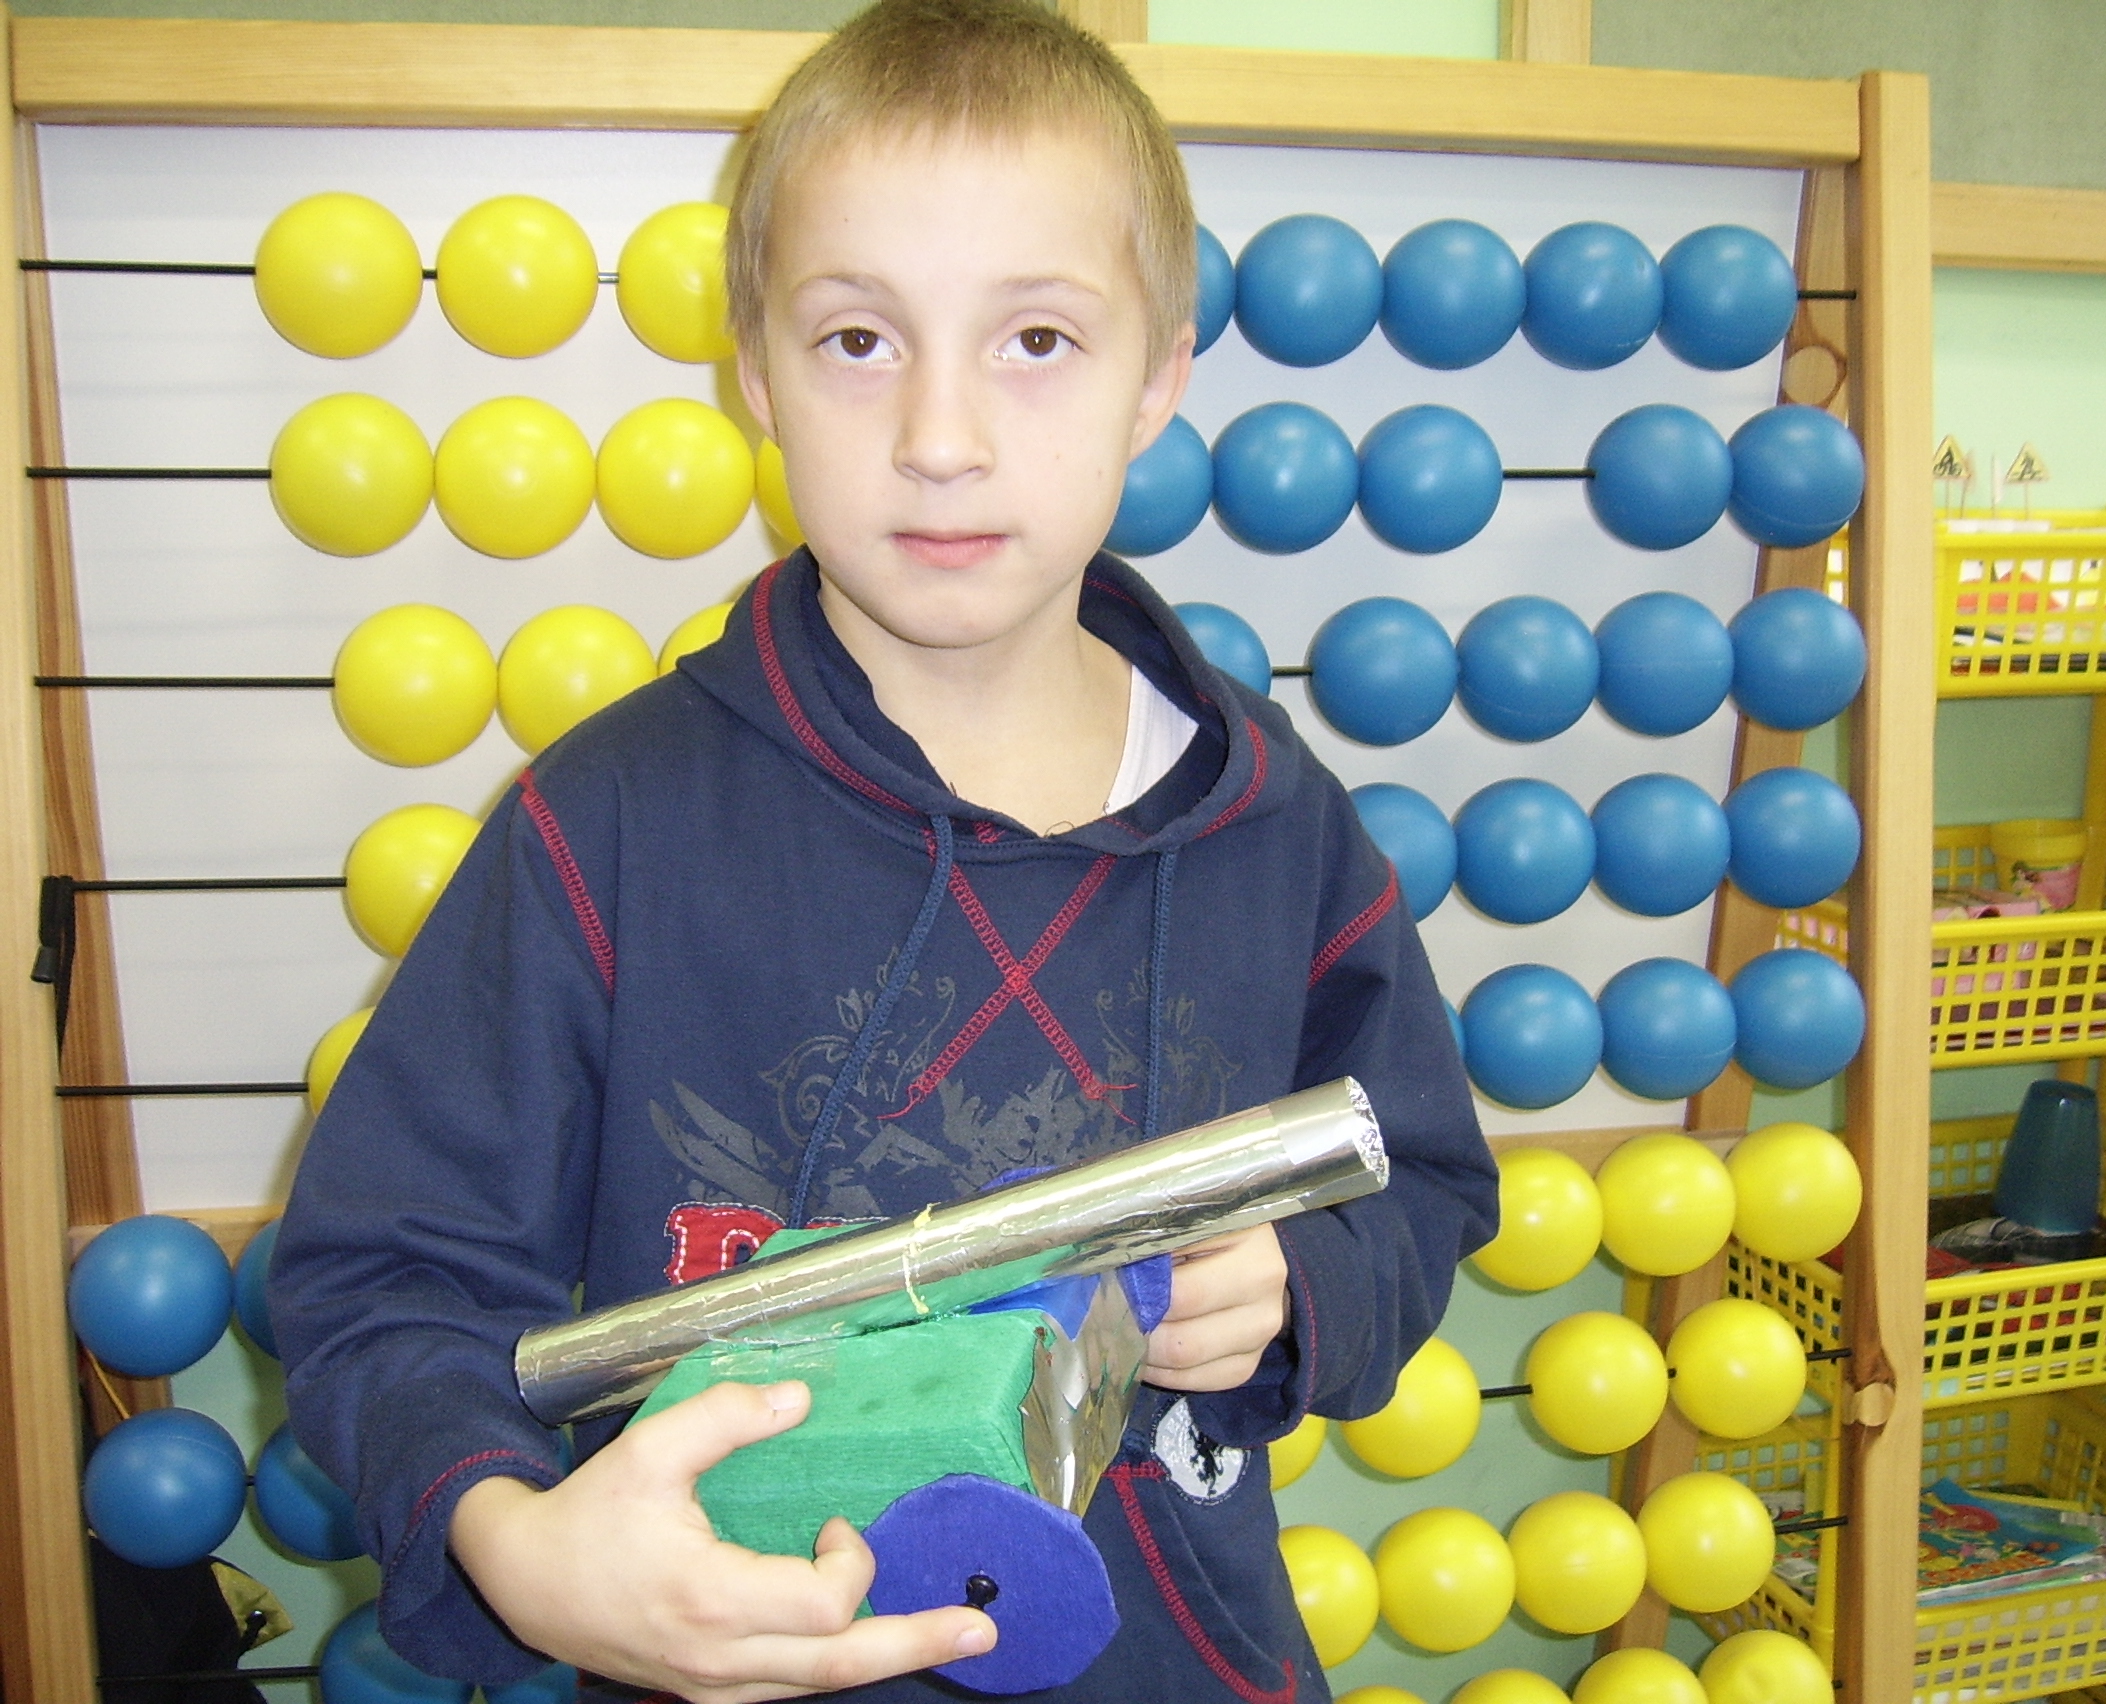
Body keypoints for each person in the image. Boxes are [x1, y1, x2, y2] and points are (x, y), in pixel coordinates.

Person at [269, 2, 1497, 1699]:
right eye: (857, 339)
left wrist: (1306, 1282)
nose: (940, 433)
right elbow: (384, 1274)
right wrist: (516, 1547)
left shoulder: (1279, 828)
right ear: (756, 374)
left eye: (1037, 339)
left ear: (1158, 377)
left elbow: (1420, 1173)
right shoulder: (607, 824)